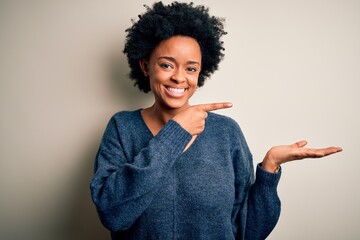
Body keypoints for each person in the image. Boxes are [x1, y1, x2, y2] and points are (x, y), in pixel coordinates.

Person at [90, 2, 342, 239]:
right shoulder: (122, 128)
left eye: (190, 68)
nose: (179, 78)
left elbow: (248, 231)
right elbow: (113, 214)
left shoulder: (226, 132)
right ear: (146, 66)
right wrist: (174, 134)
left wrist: (269, 167)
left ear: (200, 72)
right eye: (167, 65)